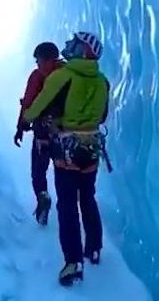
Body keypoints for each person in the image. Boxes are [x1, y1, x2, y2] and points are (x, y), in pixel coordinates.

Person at [21, 31, 110, 286]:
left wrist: (30, 116)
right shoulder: (102, 81)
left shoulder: (62, 76)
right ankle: (93, 248)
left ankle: (73, 262)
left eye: (74, 44)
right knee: (88, 197)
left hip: (67, 150)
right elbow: (102, 117)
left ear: (84, 51)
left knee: (68, 204)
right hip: (91, 148)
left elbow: (35, 110)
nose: (68, 46)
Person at [15, 41, 65, 225]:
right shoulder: (67, 75)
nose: (38, 64)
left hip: (42, 134)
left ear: (50, 60)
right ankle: (65, 205)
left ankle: (43, 196)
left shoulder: (37, 77)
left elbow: (28, 102)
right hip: (63, 135)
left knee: (38, 172)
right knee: (62, 172)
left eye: (40, 60)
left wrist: (20, 127)